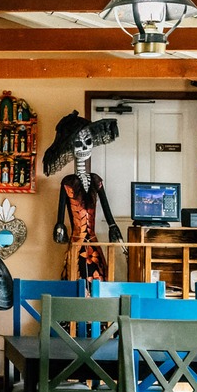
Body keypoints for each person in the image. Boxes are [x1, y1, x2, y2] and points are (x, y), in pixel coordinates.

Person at [42, 111, 122, 281]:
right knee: (74, 278)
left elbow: (107, 210)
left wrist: (113, 226)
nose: (85, 147)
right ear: (71, 146)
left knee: (99, 280)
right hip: (76, 241)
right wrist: (59, 225)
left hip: (93, 241)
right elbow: (61, 214)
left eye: (88, 142)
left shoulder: (96, 180)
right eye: (79, 143)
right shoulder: (68, 182)